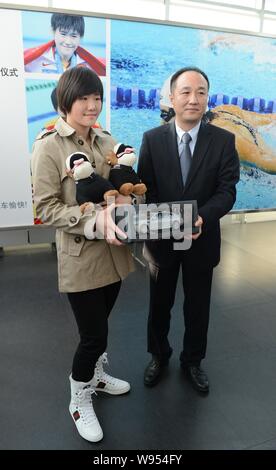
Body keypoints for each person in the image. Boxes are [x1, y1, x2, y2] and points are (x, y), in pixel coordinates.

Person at [31, 66, 134, 443]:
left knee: (102, 326)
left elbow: (121, 181)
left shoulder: (106, 139)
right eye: (84, 98)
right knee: (91, 336)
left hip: (114, 254)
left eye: (97, 98)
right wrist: (91, 219)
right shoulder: (48, 146)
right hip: (80, 255)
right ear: (65, 100)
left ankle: (97, 373)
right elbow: (46, 206)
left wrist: (128, 198)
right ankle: (79, 396)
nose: (92, 106)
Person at [138, 67, 240, 393]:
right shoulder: (152, 140)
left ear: (207, 97)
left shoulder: (223, 141)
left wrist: (202, 218)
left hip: (202, 238)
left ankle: (193, 361)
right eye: (185, 92)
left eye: (200, 92)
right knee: (159, 304)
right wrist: (166, 220)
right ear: (172, 97)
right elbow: (147, 189)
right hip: (162, 241)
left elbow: (227, 191)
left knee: (198, 306)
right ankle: (158, 355)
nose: (193, 99)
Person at [24, 13, 106, 75]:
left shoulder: (91, 67)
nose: (68, 42)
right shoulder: (31, 61)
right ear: (53, 31)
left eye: (73, 36)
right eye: (63, 34)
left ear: (80, 37)